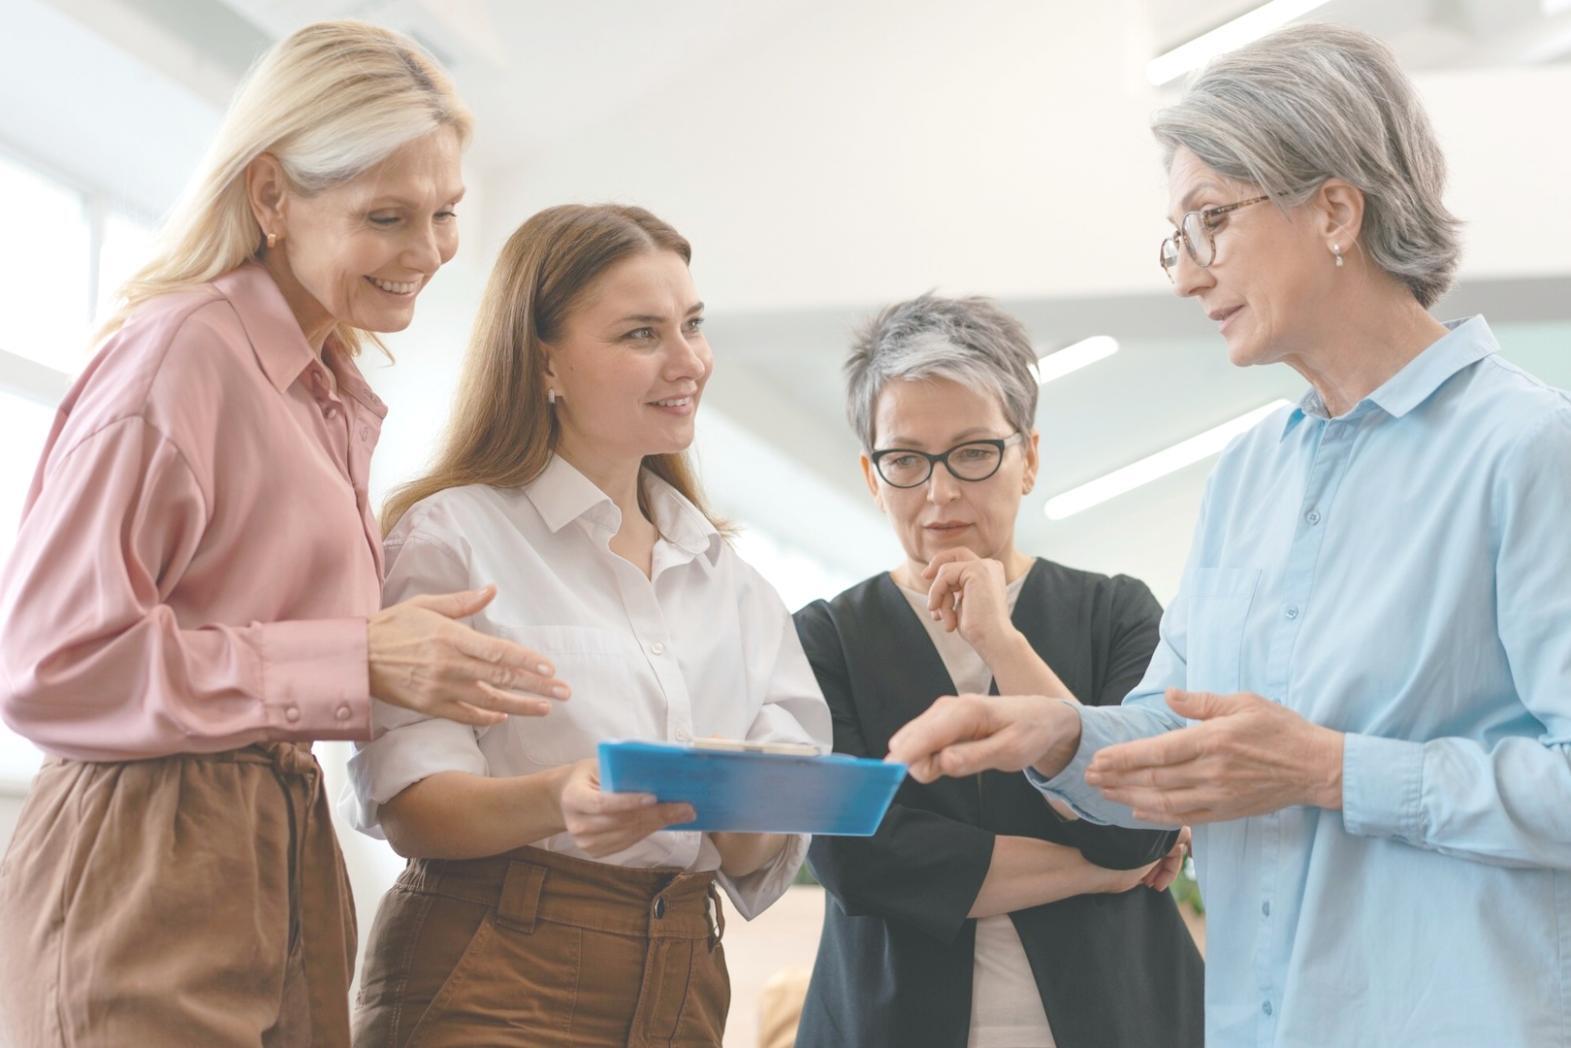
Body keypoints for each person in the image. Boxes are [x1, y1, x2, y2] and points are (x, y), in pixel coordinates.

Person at [888, 22, 1571, 1047]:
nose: (1184, 273)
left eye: (1209, 220)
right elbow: (1180, 737)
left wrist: (1330, 769)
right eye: (1176, 235)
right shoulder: (1249, 473)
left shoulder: (1527, 451)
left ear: (1334, 209)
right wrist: (1066, 734)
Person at [0, 22, 572, 1047]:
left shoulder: (323, 388)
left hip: (278, 837)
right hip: (144, 841)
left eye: (444, 215)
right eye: (387, 216)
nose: (428, 253)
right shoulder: (182, 357)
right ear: (270, 195)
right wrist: (354, 654)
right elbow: (48, 659)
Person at [342, 204, 831, 1047]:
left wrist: (749, 805)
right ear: (545, 364)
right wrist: (559, 798)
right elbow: (412, 806)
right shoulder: (452, 538)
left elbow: (754, 857)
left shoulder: (734, 586)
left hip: (684, 969)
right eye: (641, 334)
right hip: (497, 966)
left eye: (693, 325)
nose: (688, 362)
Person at [794, 293, 1203, 1048]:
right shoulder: (823, 640)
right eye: (906, 460)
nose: (940, 492)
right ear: (870, 473)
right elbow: (861, 863)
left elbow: (1135, 829)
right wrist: (1095, 871)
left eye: (974, 452)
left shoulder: (1115, 614)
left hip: (1119, 1020)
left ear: (1029, 459)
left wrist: (1000, 640)